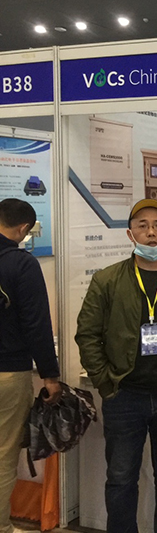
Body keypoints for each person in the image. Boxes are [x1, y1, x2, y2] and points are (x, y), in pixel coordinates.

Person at [75, 198, 157, 533]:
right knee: (120, 477)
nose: (151, 232)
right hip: (125, 395)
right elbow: (87, 334)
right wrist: (106, 382)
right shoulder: (107, 280)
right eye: (142, 225)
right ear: (130, 234)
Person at [0, 198, 61, 533]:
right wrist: (50, 376)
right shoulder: (21, 265)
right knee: (3, 454)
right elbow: (36, 324)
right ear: (24, 228)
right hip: (8, 372)